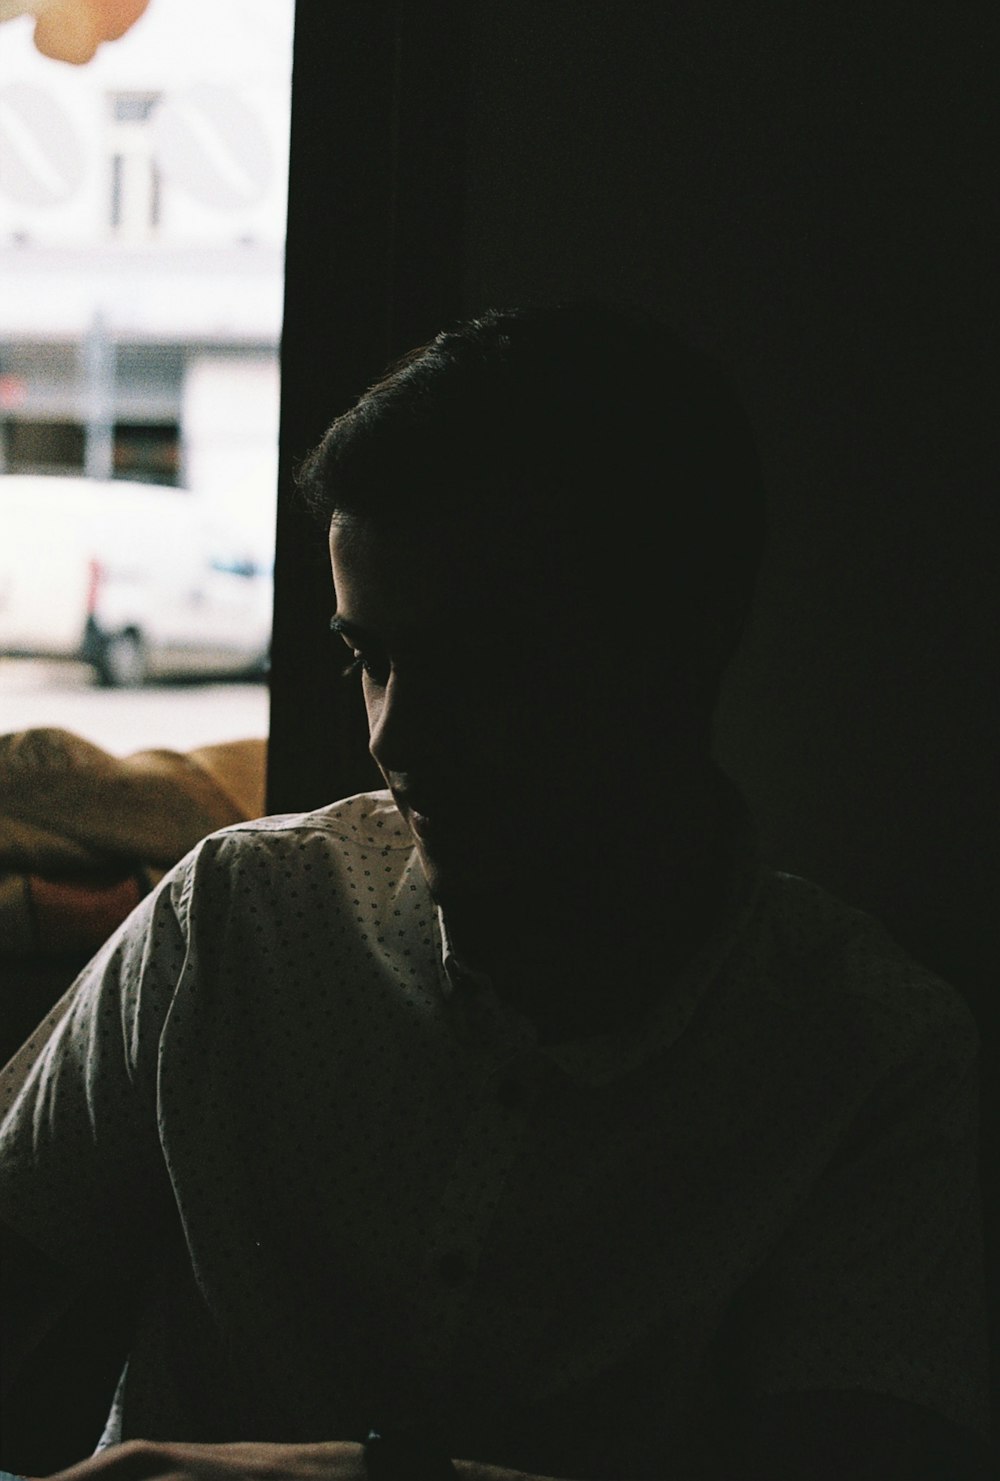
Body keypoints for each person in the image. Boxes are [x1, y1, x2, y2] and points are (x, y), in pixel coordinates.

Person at [0, 301, 992, 1481]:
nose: (394, 733)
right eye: (368, 656)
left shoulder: (867, 1058)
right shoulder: (234, 919)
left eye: (484, 662)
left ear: (682, 647)